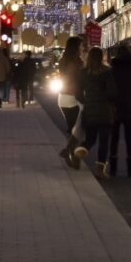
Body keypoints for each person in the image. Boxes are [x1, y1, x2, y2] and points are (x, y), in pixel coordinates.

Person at [72, 46, 117, 179]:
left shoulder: (83, 73)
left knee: (90, 139)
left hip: (89, 109)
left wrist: (85, 101)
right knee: (104, 141)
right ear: (101, 57)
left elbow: (77, 92)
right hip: (105, 110)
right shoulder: (107, 72)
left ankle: (78, 153)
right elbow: (112, 92)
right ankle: (100, 170)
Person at [109, 43, 131, 177]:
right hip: (130, 106)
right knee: (130, 138)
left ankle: (113, 168)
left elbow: (109, 89)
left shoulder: (112, 70)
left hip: (115, 107)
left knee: (114, 138)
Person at [57, 37, 86, 168]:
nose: (82, 48)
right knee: (79, 130)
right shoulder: (76, 62)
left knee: (73, 129)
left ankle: (71, 156)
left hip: (63, 97)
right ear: (76, 47)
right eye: (81, 46)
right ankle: (71, 154)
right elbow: (78, 80)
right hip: (73, 98)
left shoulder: (63, 60)